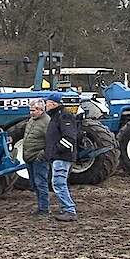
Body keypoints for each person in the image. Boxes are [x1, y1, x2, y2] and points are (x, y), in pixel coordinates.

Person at [44, 92, 80, 222]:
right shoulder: (56, 116)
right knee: (59, 183)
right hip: (59, 156)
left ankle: (69, 210)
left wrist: (55, 150)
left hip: (62, 157)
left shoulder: (64, 116)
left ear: (53, 104)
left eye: (47, 103)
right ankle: (67, 209)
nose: (45, 105)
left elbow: (69, 138)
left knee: (58, 183)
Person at [22, 98, 50, 216]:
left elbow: (51, 142)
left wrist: (41, 156)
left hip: (38, 158)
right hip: (29, 157)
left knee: (41, 183)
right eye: (30, 110)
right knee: (34, 184)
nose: (31, 112)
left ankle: (44, 209)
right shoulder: (32, 120)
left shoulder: (47, 122)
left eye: (33, 110)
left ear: (40, 109)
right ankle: (40, 207)